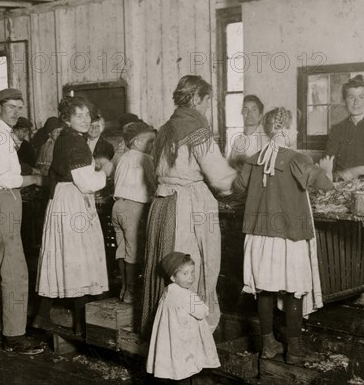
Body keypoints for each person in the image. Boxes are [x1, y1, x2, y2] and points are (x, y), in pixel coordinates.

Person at [233, 107, 333, 364]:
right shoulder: (297, 159)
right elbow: (326, 186)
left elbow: (238, 187)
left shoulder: (254, 159)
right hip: (290, 237)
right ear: (287, 130)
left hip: (259, 237)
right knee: (294, 291)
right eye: (296, 128)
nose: (297, 132)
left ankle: (268, 345)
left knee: (264, 291)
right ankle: (295, 351)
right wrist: (328, 170)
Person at [141, 75, 236, 337]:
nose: (207, 108)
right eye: (206, 102)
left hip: (162, 204)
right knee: (193, 264)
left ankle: (162, 333)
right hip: (187, 206)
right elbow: (219, 176)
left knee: (166, 265)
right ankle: (191, 333)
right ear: (195, 99)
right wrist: (238, 184)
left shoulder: (164, 129)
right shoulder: (195, 128)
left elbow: (152, 172)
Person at [32, 96, 114, 337]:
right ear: (66, 118)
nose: (86, 120)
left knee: (69, 258)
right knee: (78, 259)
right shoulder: (74, 141)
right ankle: (81, 325)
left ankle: (43, 315)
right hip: (73, 202)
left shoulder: (69, 138)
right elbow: (87, 183)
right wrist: (106, 171)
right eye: (79, 115)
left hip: (65, 199)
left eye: (88, 115)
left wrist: (94, 167)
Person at [0, 88, 44, 355]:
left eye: (20, 107)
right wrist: (37, 179)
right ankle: (15, 337)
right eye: (11, 107)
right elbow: (7, 179)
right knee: (15, 272)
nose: (16, 112)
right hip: (2, 201)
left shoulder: (0, 135)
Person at [146, 252, 220, 383]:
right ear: (173, 277)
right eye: (185, 274)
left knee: (177, 370)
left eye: (192, 273)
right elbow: (203, 312)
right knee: (189, 370)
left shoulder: (167, 291)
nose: (190, 278)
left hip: (173, 339)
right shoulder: (187, 296)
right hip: (186, 340)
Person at [112, 120, 156, 304]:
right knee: (134, 251)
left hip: (118, 206)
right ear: (137, 142)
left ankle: (123, 288)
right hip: (134, 208)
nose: (153, 145)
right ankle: (131, 292)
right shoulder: (145, 158)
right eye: (150, 141)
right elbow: (154, 183)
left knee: (121, 249)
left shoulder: (122, 157)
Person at [323, 75, 364, 180]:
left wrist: (356, 171)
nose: (356, 102)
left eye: (361, 97)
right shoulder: (336, 129)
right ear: (345, 101)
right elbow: (328, 165)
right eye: (351, 97)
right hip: (343, 187)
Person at [227, 95, 269, 170]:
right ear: (242, 114)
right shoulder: (237, 141)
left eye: (254, 110)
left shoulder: (266, 141)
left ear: (260, 116)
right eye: (246, 109)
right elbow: (230, 166)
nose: (249, 113)